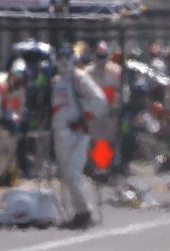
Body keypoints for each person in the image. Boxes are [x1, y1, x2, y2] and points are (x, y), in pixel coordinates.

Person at [51, 43, 108, 229]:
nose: (64, 61)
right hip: (60, 134)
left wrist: (85, 117)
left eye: (67, 57)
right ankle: (78, 211)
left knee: (73, 173)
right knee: (67, 175)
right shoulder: (56, 81)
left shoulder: (79, 78)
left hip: (77, 132)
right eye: (61, 57)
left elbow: (99, 101)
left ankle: (85, 212)